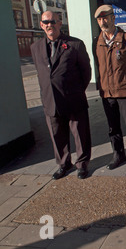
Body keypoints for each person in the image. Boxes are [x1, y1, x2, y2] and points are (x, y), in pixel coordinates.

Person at [31, 10, 92, 180]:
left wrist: (77, 90)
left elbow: (86, 72)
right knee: (57, 135)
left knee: (80, 134)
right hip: (50, 101)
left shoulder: (75, 44)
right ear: (42, 25)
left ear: (59, 23)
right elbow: (41, 72)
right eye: (46, 22)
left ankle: (82, 165)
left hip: (73, 98)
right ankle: (63, 164)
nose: (49, 25)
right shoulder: (35, 48)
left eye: (53, 21)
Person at [92, 4, 126, 170]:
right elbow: (98, 65)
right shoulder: (97, 41)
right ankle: (118, 155)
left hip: (125, 91)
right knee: (113, 127)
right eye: (100, 19)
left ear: (113, 18)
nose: (103, 21)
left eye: (105, 17)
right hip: (107, 93)